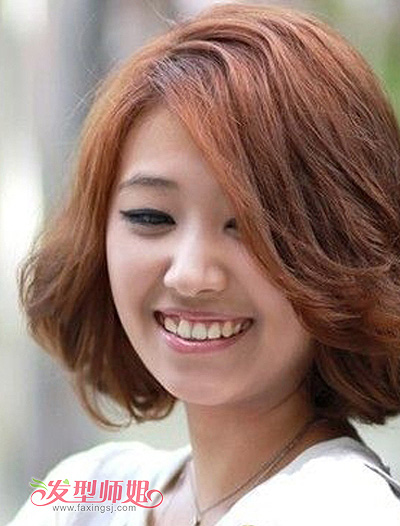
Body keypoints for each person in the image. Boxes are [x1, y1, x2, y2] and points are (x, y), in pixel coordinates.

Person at [8, 3, 400, 526]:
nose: (190, 275)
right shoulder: (89, 490)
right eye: (151, 217)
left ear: (343, 249)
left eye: (250, 226)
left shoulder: (340, 508)